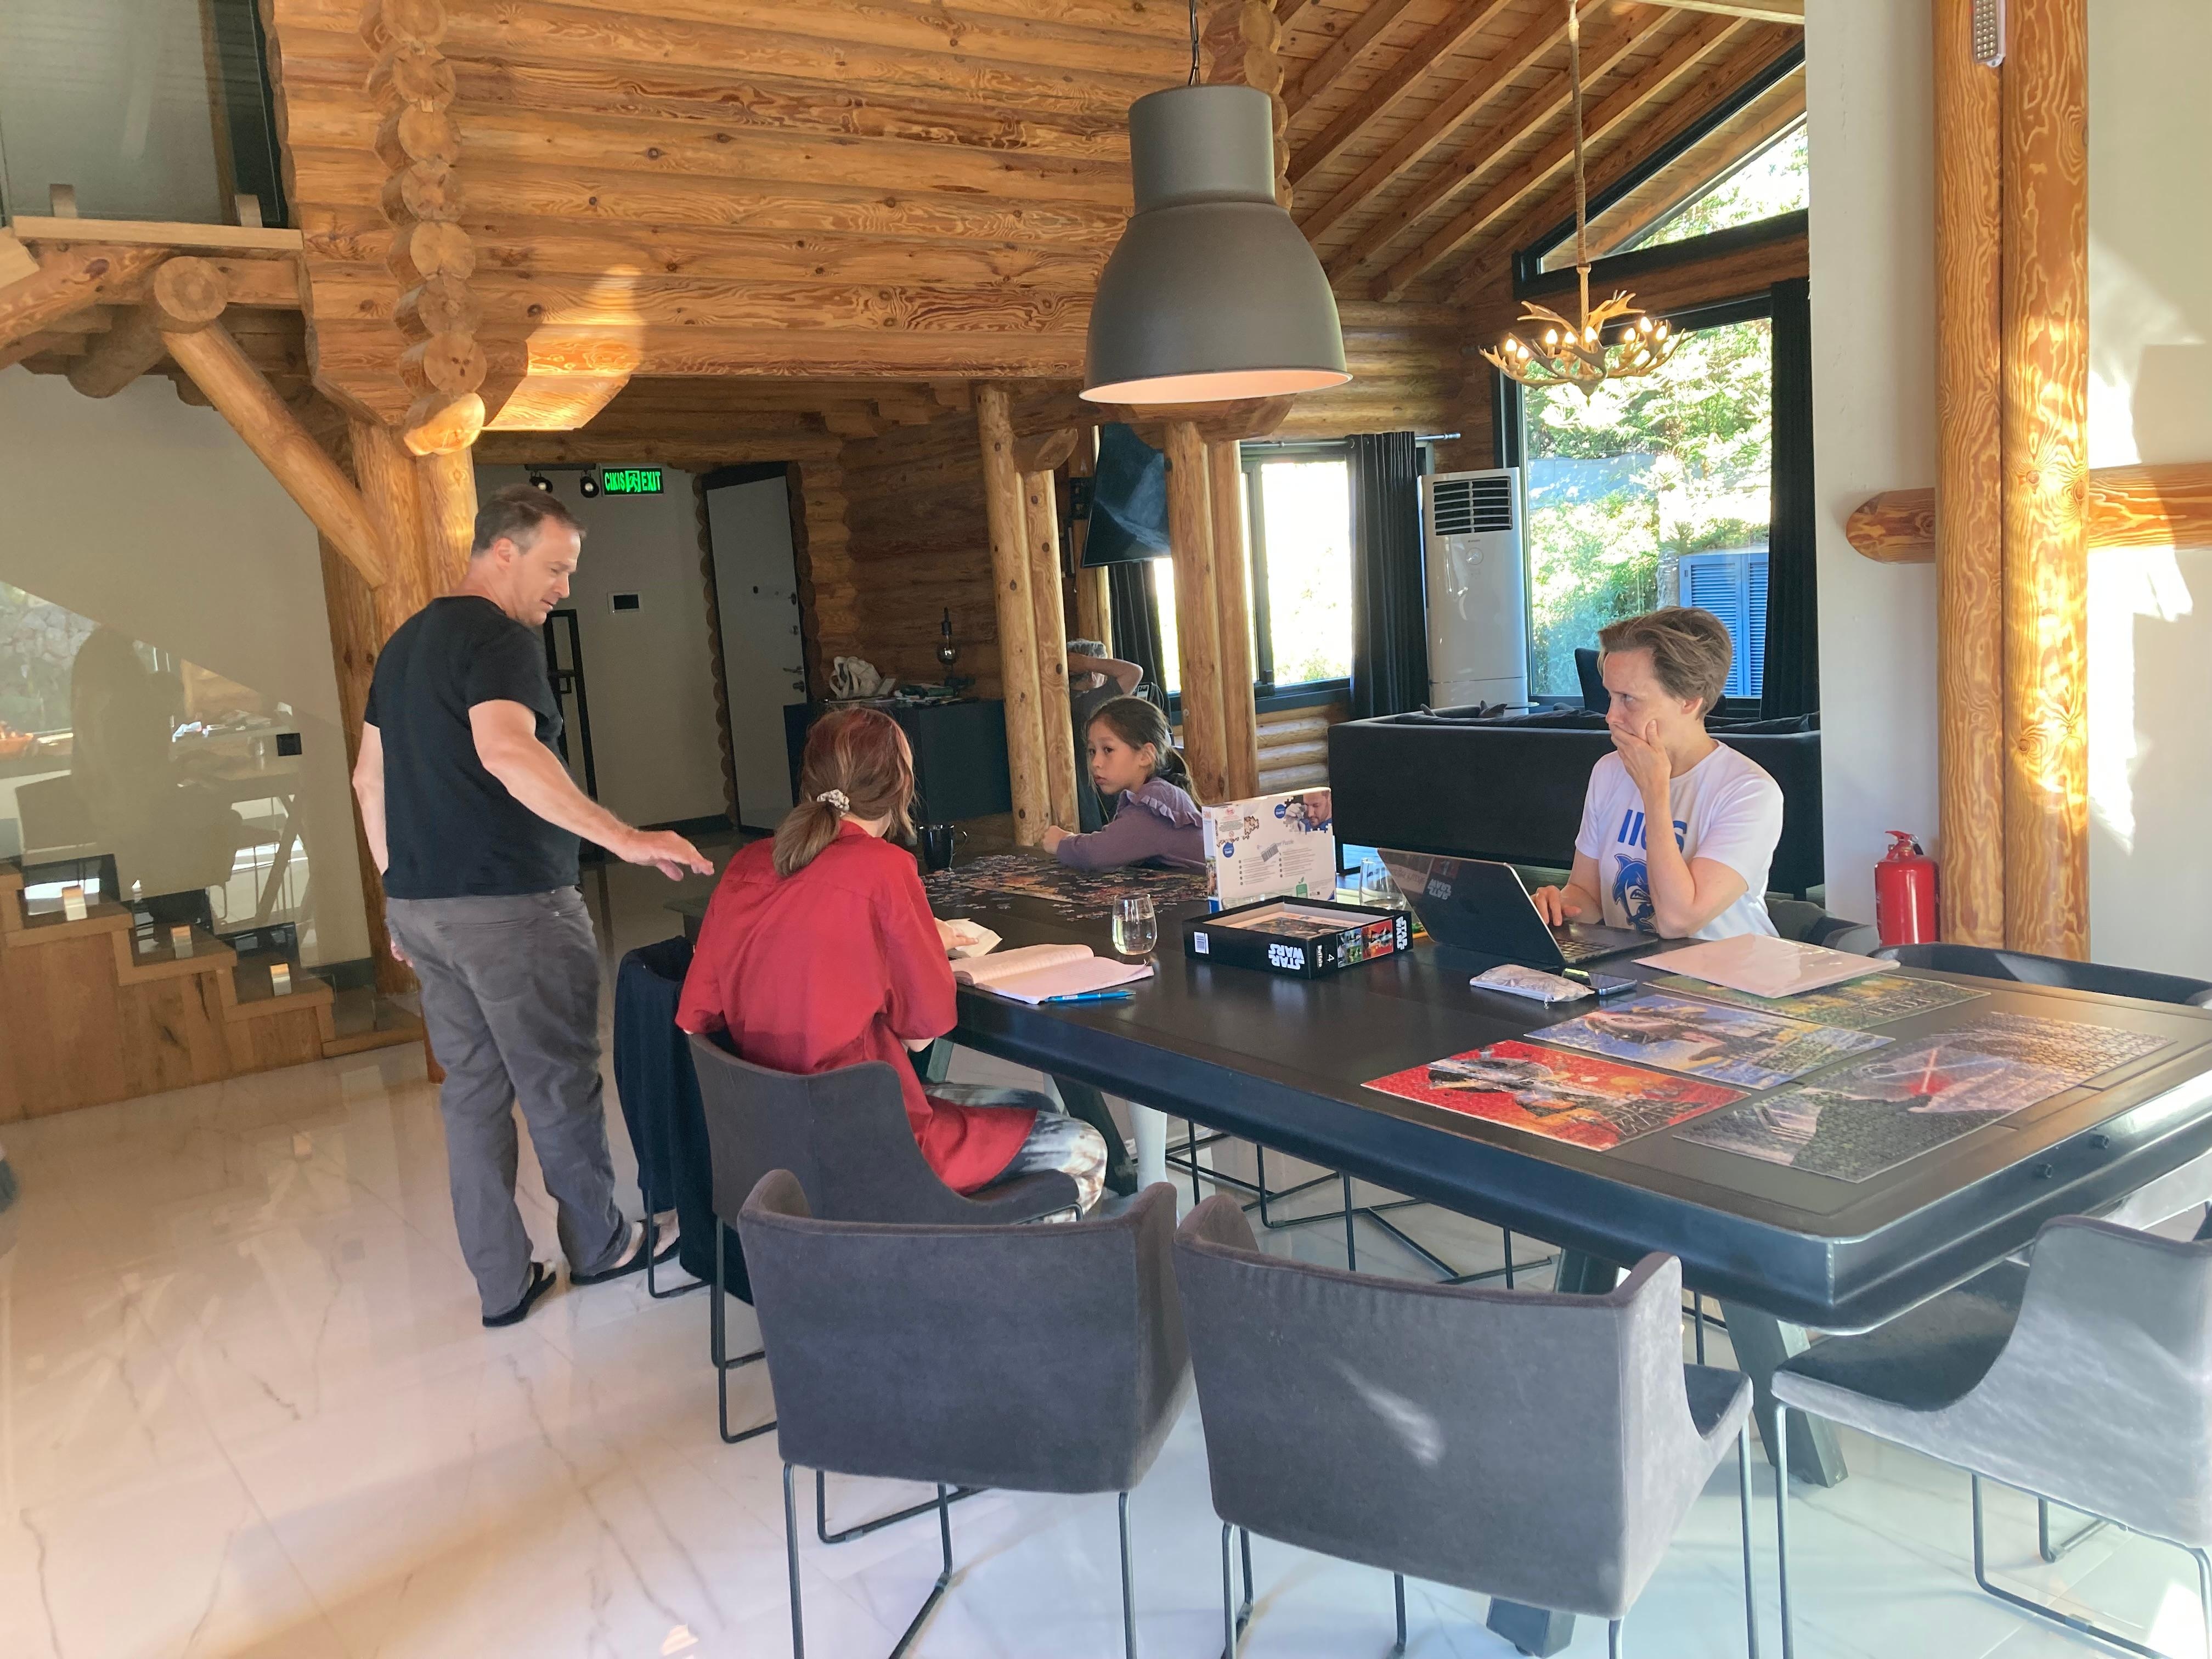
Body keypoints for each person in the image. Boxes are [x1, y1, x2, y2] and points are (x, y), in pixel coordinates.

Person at [353, 484, 715, 1328]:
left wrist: (394, 892)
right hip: (512, 907)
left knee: (472, 1094)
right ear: (503, 551)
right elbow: (508, 751)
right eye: (557, 568)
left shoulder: (404, 646)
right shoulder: (499, 638)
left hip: (423, 911)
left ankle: (501, 1283)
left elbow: (368, 779)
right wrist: (623, 838)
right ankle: (599, 1245)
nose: (565, 589)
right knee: (557, 1085)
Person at [676, 707, 1109, 1212]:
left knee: (1032, 1106)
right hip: (870, 1144)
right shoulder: (883, 869)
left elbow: (697, 1017)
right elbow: (923, 1030)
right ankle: (978, 1271)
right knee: (1085, 1146)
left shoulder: (749, 863)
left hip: (773, 1144)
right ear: (901, 786)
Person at [1530, 607, 1782, 941]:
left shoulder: (1749, 792)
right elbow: (1587, 894)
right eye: (1610, 696)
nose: (1611, 716)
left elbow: (1679, 922)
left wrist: (1655, 792)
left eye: (1628, 699)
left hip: (1731, 983)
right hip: (1636, 974)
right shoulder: (1609, 771)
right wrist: (1557, 905)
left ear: (1690, 701)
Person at [1041, 695, 1205, 871]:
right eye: (1092, 751)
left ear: (1145, 755)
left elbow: (1098, 853)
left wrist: (1061, 842)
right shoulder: (1150, 795)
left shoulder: (1157, 800)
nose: (1096, 762)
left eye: (1108, 750)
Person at [1066, 640, 1142, 833]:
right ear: (1093, 675)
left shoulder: (1066, 700)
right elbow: (1134, 672)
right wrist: (1087, 662)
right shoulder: (1090, 704)